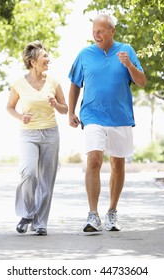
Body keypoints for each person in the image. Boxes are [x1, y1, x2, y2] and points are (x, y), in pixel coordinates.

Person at [68, 14, 146, 232]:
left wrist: (129, 65)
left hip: (120, 117)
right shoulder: (85, 54)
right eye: (94, 31)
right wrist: (71, 112)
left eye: (101, 31)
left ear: (112, 31)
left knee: (117, 165)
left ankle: (112, 212)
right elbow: (75, 84)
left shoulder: (126, 50)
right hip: (92, 115)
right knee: (93, 159)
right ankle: (93, 215)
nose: (96, 35)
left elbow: (141, 81)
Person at [7, 40, 68, 236]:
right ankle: (27, 213)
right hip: (29, 134)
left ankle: (40, 223)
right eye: (44, 56)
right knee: (29, 172)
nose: (48, 59)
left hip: (50, 133)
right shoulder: (18, 83)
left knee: (46, 181)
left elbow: (65, 108)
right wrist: (20, 117)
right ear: (33, 62)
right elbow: (9, 106)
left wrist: (55, 104)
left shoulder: (54, 81)